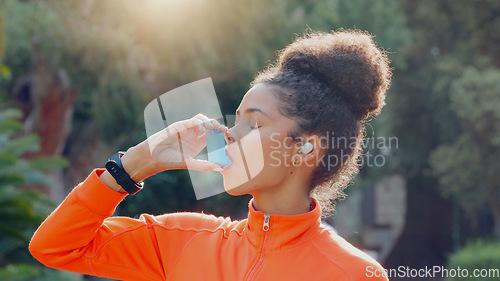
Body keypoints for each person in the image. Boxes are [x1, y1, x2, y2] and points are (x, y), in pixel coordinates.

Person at [30, 29, 392, 281]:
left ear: (305, 146)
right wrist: (138, 163)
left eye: (253, 124)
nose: (229, 134)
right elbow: (56, 246)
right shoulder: (183, 238)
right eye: (235, 121)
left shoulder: (354, 274)